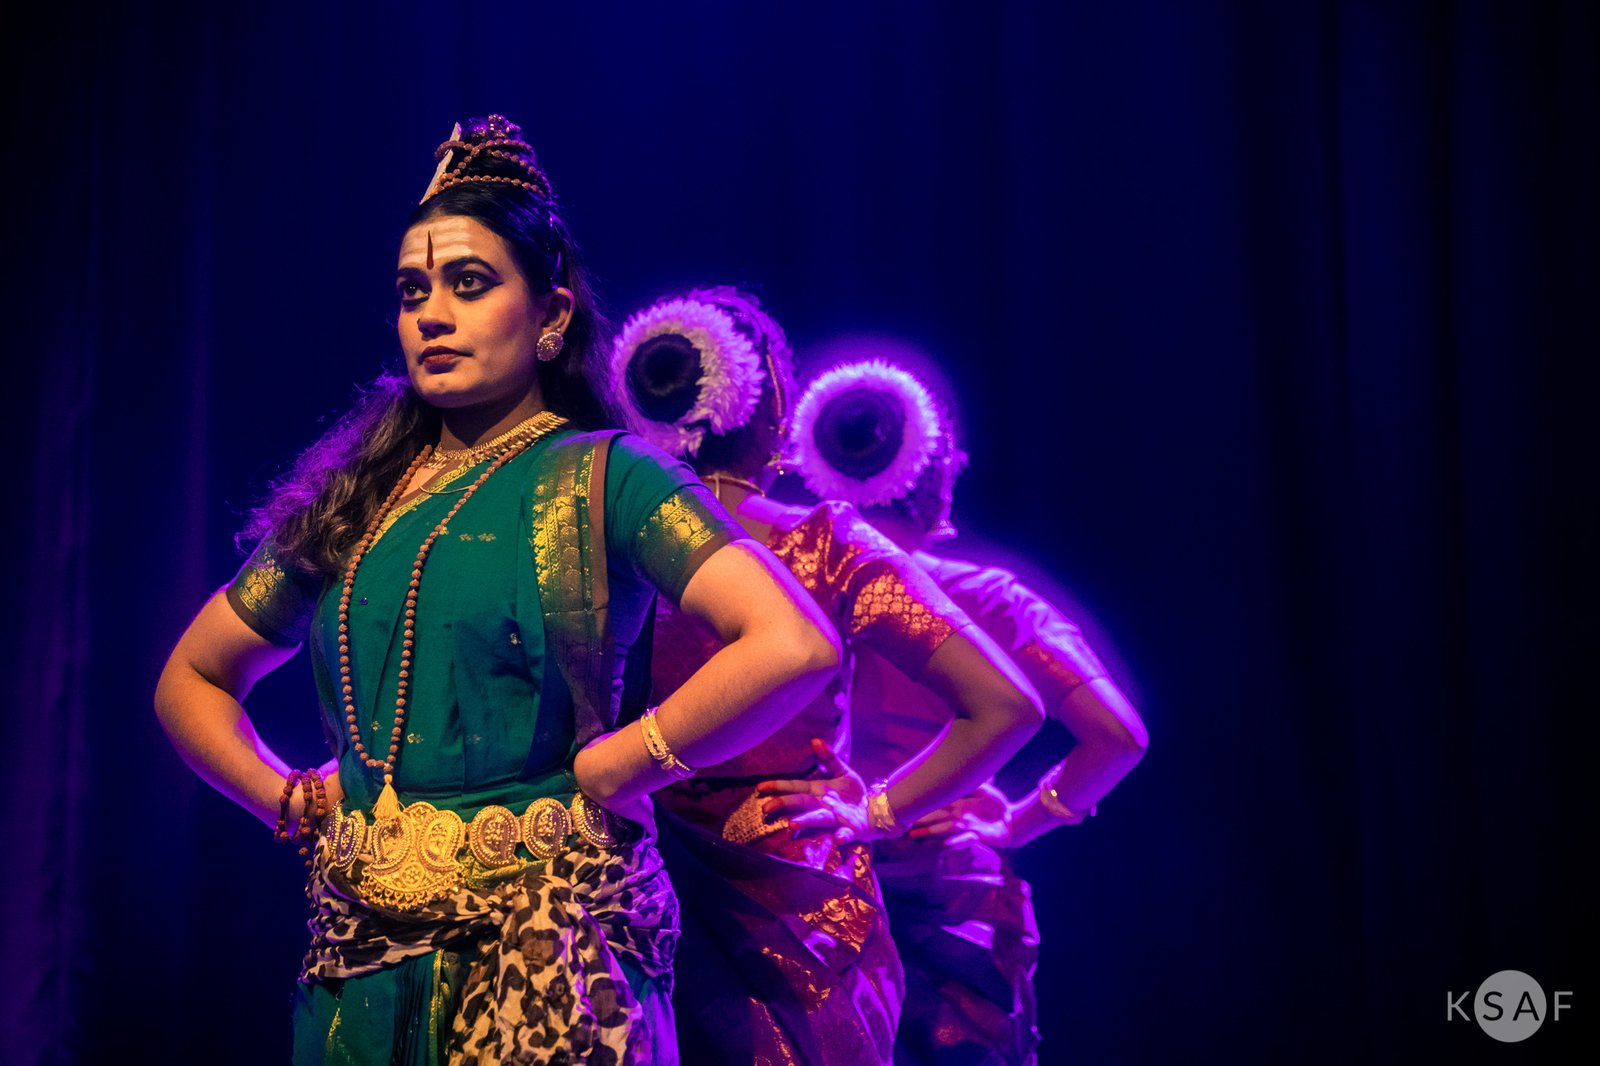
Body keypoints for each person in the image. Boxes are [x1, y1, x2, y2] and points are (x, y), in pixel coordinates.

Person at [153, 116, 842, 1065]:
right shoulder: (354, 498)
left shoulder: (610, 476)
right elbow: (191, 676)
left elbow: (792, 643)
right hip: (359, 965)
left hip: (554, 956)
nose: (431, 315)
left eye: (469, 284)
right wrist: (286, 797)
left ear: (552, 315)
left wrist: (630, 762)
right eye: (413, 292)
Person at [610, 288, 1044, 1065]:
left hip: (628, 876)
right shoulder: (820, 543)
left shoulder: (600, 546)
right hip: (795, 892)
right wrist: (879, 809)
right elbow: (1006, 705)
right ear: (773, 407)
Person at [788, 359, 1150, 1066]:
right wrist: (1023, 821)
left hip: (817, 880)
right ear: (935, 476)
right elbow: (1117, 736)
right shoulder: (987, 599)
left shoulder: (782, 594)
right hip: (951, 889)